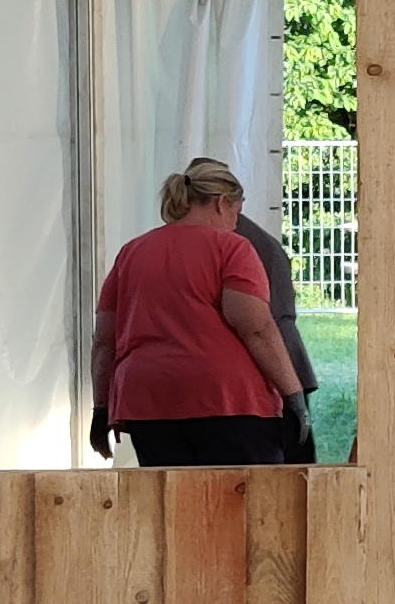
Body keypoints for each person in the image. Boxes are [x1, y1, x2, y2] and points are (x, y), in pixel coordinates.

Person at [89, 158, 309, 466]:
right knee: (242, 494)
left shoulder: (132, 252)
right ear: (222, 202)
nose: (236, 222)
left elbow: (104, 340)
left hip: (146, 401)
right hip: (227, 399)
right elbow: (255, 326)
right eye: (237, 211)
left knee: (170, 494)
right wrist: (293, 395)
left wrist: (101, 408)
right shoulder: (232, 247)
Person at [231, 205, 323, 463]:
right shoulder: (246, 239)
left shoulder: (239, 243)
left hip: (272, 359)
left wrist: (291, 392)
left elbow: (259, 324)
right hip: (279, 358)